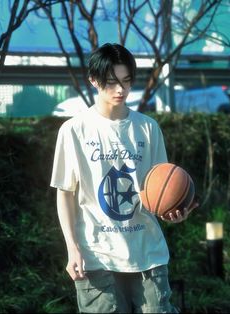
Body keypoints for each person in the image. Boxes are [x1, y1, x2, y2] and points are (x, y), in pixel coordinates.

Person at [50, 43, 197, 313]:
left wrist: (171, 211)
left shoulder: (148, 128)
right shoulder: (73, 130)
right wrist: (72, 248)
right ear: (93, 80)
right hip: (97, 256)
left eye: (126, 81)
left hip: (147, 254)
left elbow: (158, 189)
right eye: (112, 82)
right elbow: (65, 193)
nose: (121, 90)